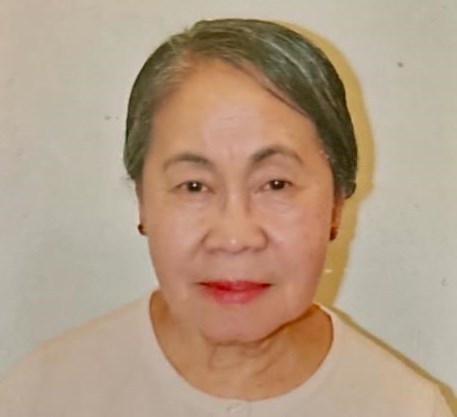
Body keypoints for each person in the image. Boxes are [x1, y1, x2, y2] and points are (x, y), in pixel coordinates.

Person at [0, 18, 454, 417]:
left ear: (337, 203)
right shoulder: (43, 397)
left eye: (276, 184)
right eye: (194, 186)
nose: (235, 237)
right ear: (142, 201)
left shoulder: (405, 408)